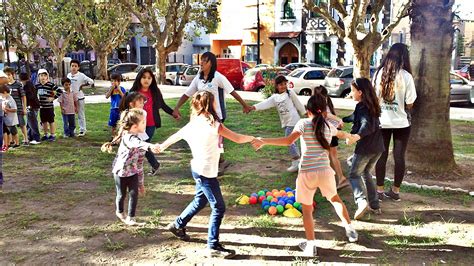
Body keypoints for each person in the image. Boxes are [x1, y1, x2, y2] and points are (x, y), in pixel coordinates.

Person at [251, 94, 358, 257]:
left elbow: (288, 141)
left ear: (308, 111)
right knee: (335, 199)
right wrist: (350, 136)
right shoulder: (328, 126)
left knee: (307, 211)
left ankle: (310, 246)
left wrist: (263, 140)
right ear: (323, 112)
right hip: (325, 171)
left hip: (307, 172)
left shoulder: (303, 124)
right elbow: (341, 135)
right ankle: (350, 228)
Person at [160, 91, 254, 259]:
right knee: (219, 207)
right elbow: (238, 138)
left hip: (198, 169)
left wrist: (161, 146)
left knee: (200, 200)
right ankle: (213, 245)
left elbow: (175, 136)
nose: (217, 104)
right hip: (205, 173)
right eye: (215, 102)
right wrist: (254, 138)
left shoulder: (193, 123)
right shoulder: (213, 125)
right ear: (210, 105)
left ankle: (177, 225)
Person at [172, 52, 252, 173]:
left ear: (212, 63)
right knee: (207, 141)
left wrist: (245, 105)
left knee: (215, 141)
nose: (202, 63)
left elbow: (232, 92)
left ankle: (217, 164)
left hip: (216, 115)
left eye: (205, 60)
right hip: (201, 117)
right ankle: (219, 161)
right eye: (201, 60)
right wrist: (177, 107)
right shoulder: (198, 78)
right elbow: (187, 94)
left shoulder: (218, 77)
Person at [373, 43, 417, 201]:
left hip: (382, 122)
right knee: (399, 157)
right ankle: (395, 192)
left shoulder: (378, 74)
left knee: (381, 156)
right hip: (401, 124)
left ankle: (379, 191)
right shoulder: (406, 76)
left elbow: (374, 98)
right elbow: (411, 102)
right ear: (404, 57)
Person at [102, 108, 159, 226]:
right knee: (121, 195)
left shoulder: (139, 137)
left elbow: (139, 163)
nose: (146, 123)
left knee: (134, 194)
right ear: (134, 126)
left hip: (133, 172)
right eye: (143, 122)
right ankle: (120, 212)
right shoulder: (128, 137)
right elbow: (137, 143)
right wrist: (150, 146)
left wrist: (141, 183)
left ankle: (131, 218)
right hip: (121, 172)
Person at [344, 78, 385, 220]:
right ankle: (375, 205)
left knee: (354, 174)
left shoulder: (362, 107)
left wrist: (357, 136)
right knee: (366, 172)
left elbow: (366, 125)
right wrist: (342, 120)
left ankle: (361, 202)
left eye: (353, 90)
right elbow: (355, 117)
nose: (351, 93)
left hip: (366, 148)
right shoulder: (371, 105)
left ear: (360, 92)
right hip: (378, 147)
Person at [249, 75, 305, 172]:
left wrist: (305, 113)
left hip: (294, 120)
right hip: (286, 122)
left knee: (289, 141)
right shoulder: (275, 97)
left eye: (284, 84)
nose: (283, 86)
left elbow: (298, 104)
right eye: (280, 84)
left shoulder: (290, 93)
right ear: (276, 86)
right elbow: (265, 103)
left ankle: (296, 162)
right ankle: (300, 162)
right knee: (293, 142)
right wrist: (254, 107)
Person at [129, 68, 175, 175]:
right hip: (136, 125)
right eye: (144, 77)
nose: (146, 80)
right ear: (139, 78)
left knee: (143, 146)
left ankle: (144, 167)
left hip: (150, 124)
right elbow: (127, 105)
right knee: (141, 146)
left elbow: (162, 104)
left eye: (149, 78)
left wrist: (173, 113)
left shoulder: (154, 91)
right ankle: (151, 165)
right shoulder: (134, 92)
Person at [314, 85, 348, 189]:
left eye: (323, 96)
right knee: (329, 154)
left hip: (331, 131)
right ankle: (333, 177)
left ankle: (341, 178)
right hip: (330, 130)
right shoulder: (324, 101)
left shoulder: (323, 102)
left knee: (332, 155)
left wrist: (338, 120)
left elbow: (327, 114)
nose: (323, 98)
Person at [67, 59, 94, 136]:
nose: (74, 68)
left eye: (75, 66)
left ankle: (82, 129)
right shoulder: (68, 75)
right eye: (72, 66)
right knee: (71, 114)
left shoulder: (81, 75)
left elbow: (91, 81)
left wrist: (83, 86)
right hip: (71, 97)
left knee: (80, 114)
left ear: (78, 67)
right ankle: (72, 129)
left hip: (79, 98)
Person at [35, 69, 62, 142]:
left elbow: (60, 91)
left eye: (44, 75)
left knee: (51, 121)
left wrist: (53, 98)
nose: (43, 77)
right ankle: (45, 134)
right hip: (42, 107)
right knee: (43, 121)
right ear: (39, 77)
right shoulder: (37, 86)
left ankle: (52, 134)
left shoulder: (50, 85)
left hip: (49, 107)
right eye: (41, 76)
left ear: (47, 77)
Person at [4, 67, 27, 147]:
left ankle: (26, 139)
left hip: (18, 108)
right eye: (6, 75)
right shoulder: (5, 85)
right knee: (10, 126)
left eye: (9, 75)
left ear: (13, 75)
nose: (8, 77)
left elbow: (23, 96)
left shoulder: (18, 84)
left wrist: (24, 108)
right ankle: (12, 141)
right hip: (9, 111)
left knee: (21, 124)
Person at [19, 73, 41, 145]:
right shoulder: (30, 84)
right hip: (33, 105)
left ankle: (36, 138)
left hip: (32, 106)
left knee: (32, 122)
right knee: (29, 122)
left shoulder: (27, 85)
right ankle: (29, 136)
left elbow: (30, 96)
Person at [1, 85, 19, 152]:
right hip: (7, 119)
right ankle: (11, 142)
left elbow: (14, 109)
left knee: (14, 131)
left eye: (1, 94)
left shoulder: (10, 99)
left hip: (12, 119)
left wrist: (6, 109)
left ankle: (17, 143)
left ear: (5, 92)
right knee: (9, 131)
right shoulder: (5, 98)